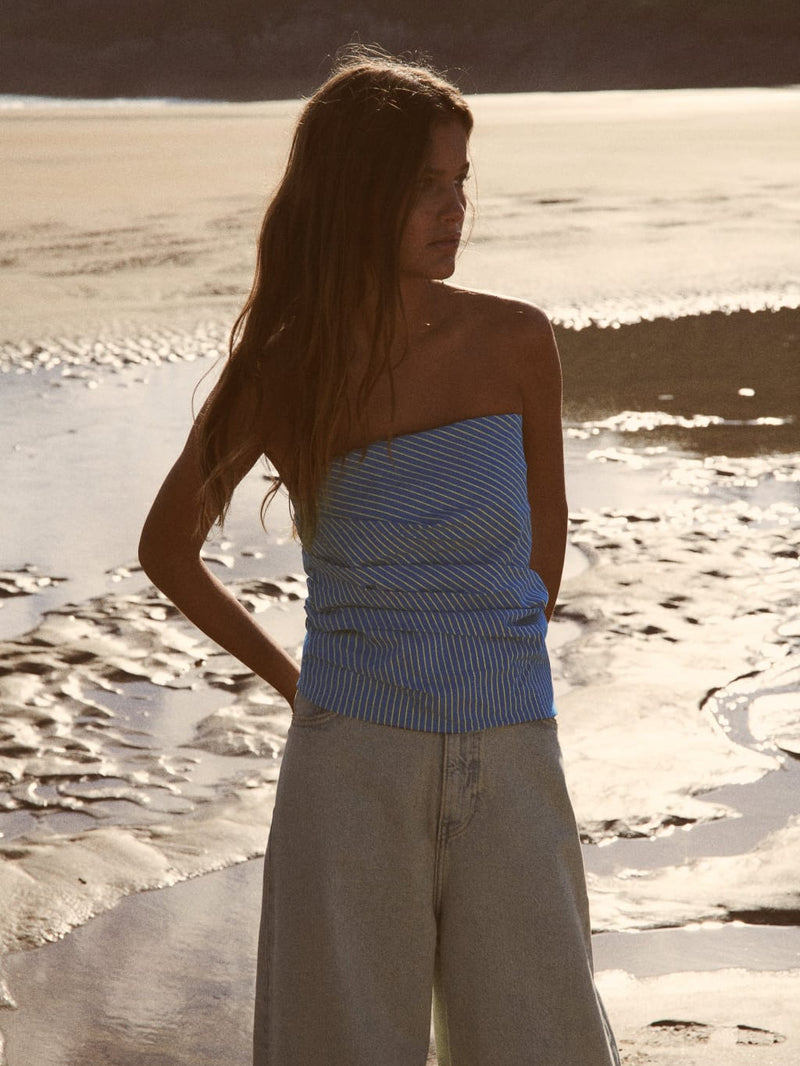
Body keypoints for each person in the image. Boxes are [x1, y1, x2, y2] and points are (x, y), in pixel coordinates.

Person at [139, 47, 620, 1066]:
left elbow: (546, 527)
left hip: (511, 747)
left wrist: (497, 653)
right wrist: (297, 686)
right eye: (423, 187)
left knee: (546, 1042)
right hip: (352, 761)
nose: (453, 209)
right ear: (357, 195)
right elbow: (168, 549)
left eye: (460, 183)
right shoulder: (284, 367)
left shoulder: (515, 339)